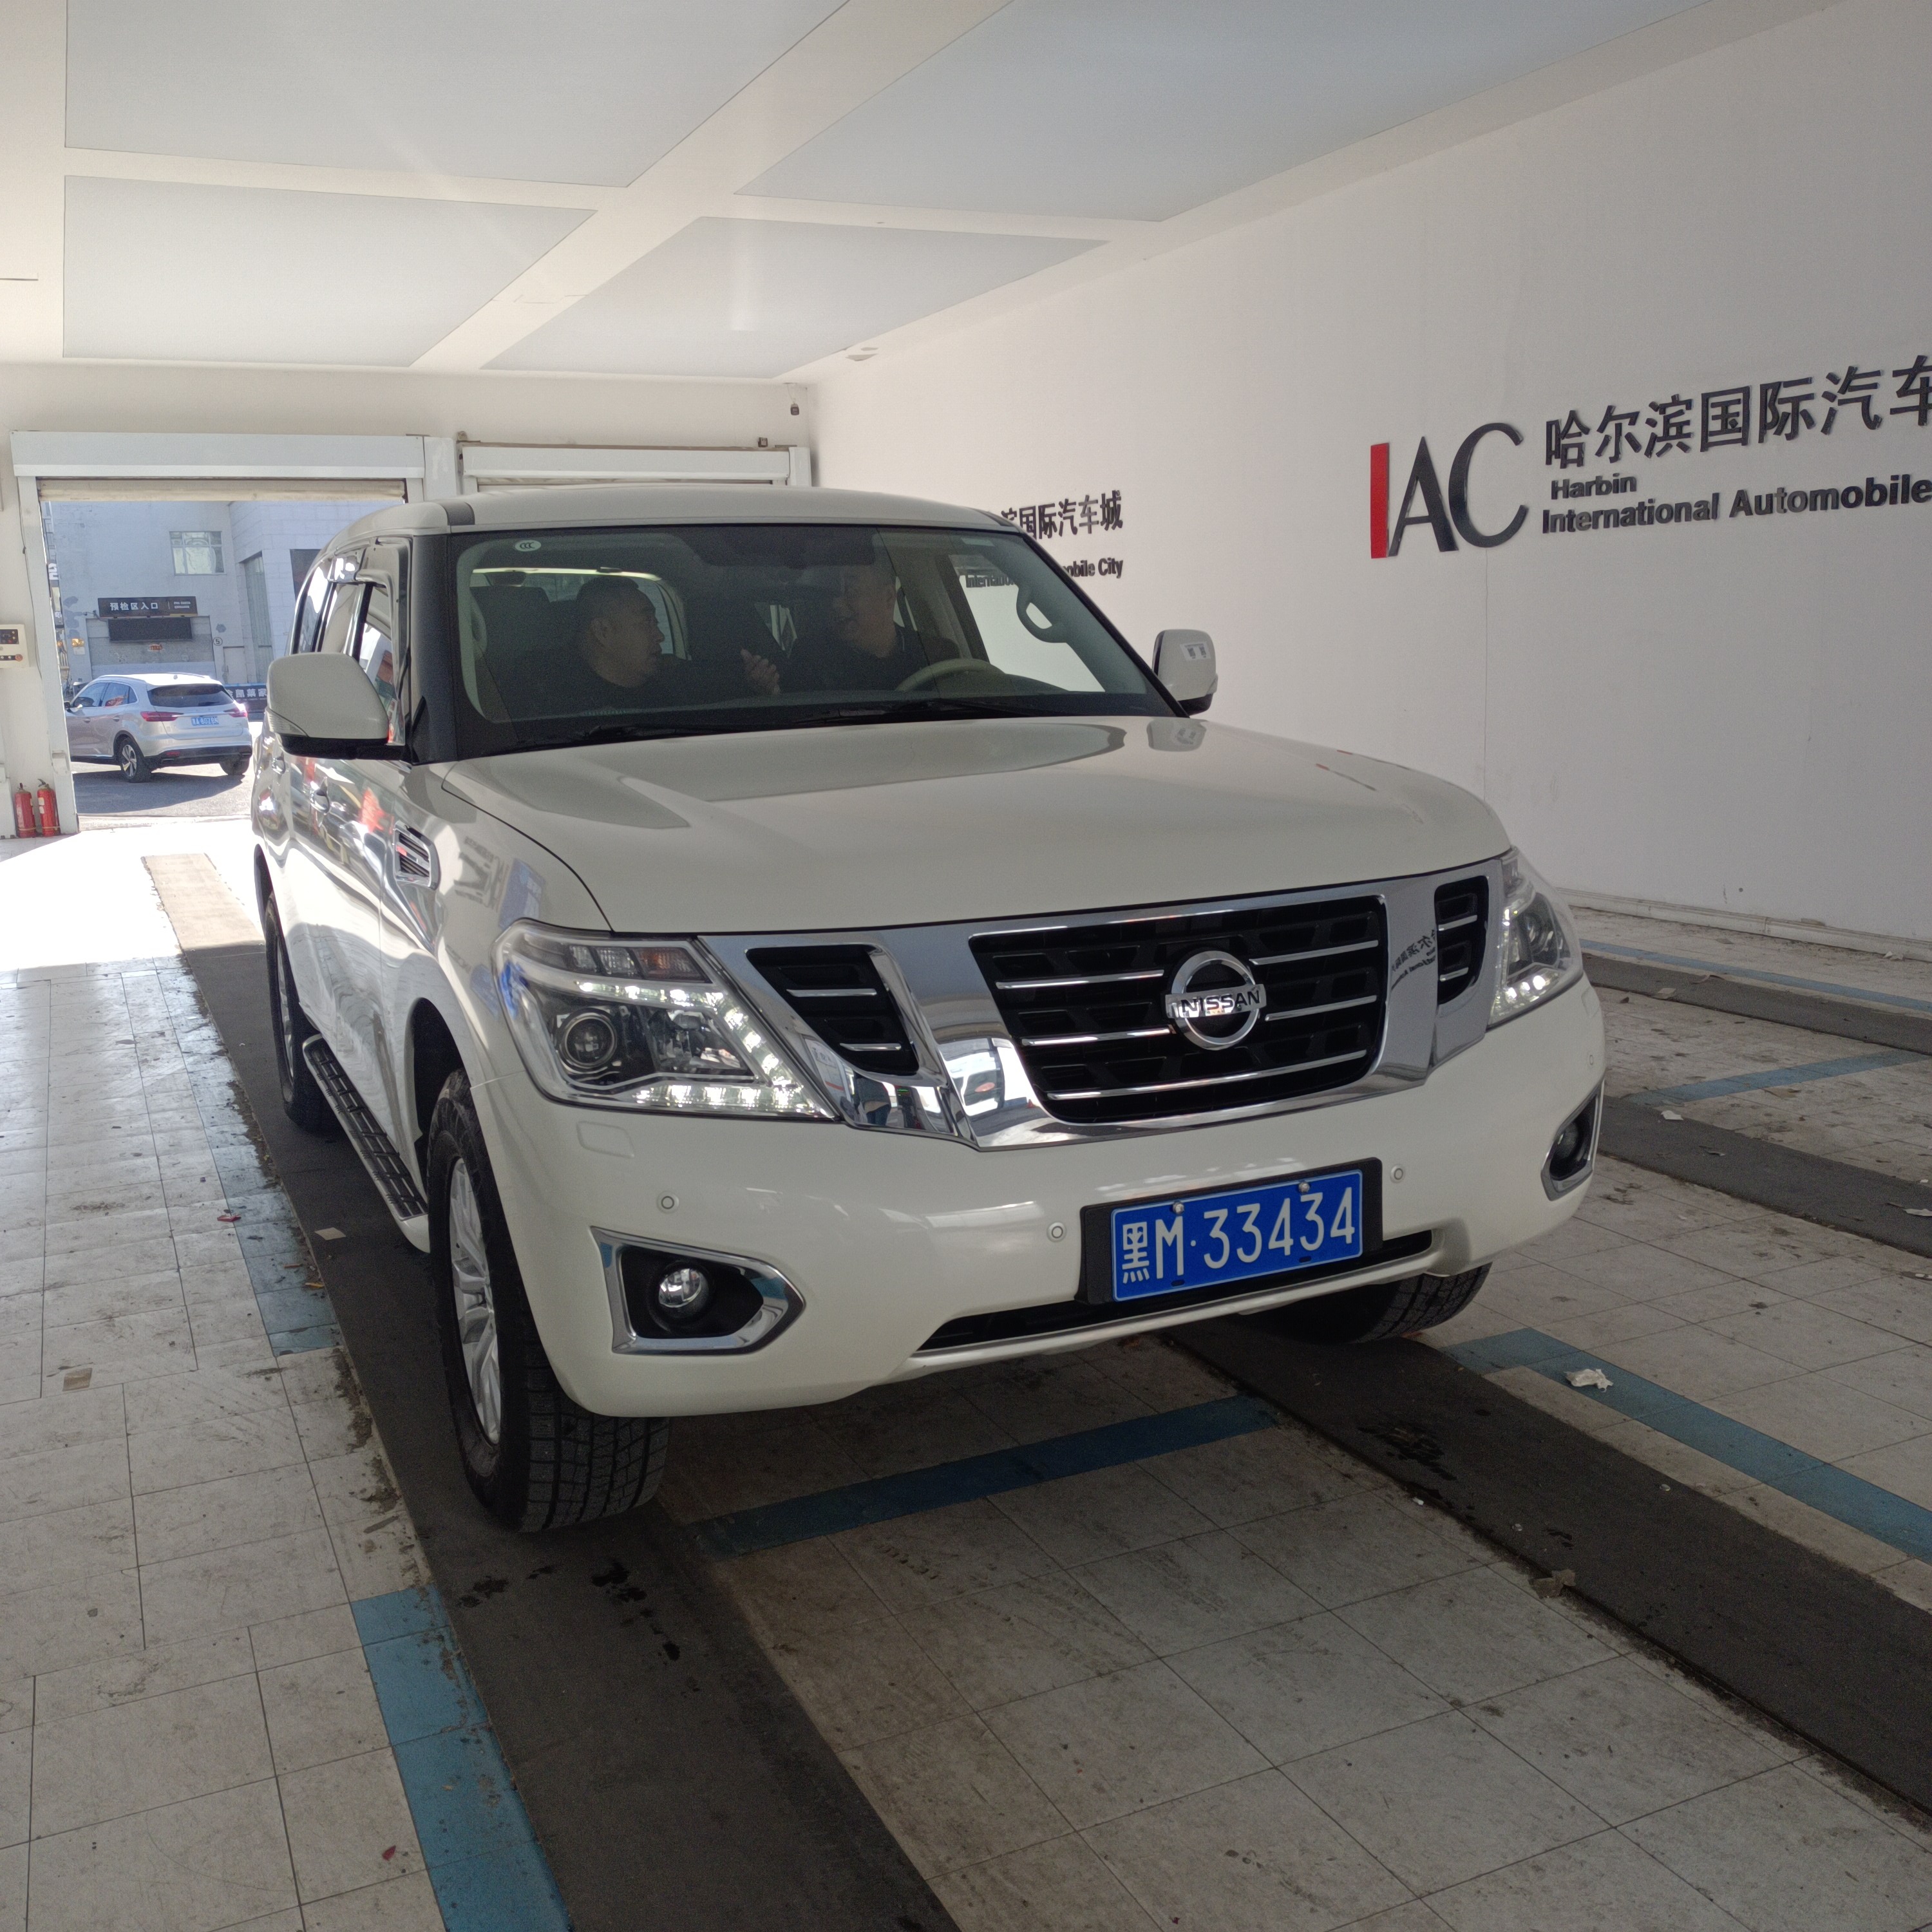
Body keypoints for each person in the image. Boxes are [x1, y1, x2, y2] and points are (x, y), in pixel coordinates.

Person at [522, 574, 723, 716]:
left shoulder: (669, 690)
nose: (660, 636)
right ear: (603, 631)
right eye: (646, 623)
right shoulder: (541, 695)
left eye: (656, 623)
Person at [740, 561, 934, 696]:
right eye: (832, 594)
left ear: (889, 597)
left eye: (851, 591)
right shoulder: (812, 658)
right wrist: (771, 692)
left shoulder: (933, 654)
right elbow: (796, 718)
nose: (836, 604)